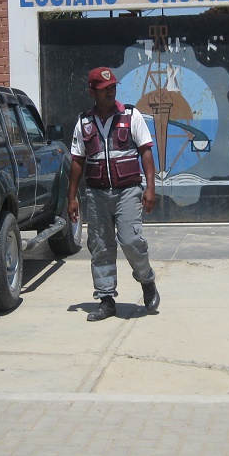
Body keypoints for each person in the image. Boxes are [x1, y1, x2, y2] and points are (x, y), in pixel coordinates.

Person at [67, 67, 159, 321]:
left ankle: (147, 280)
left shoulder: (131, 115)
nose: (110, 92)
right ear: (92, 92)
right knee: (100, 247)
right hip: (96, 195)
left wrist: (150, 188)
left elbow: (146, 152)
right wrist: (71, 197)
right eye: (104, 89)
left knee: (131, 241)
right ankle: (106, 299)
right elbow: (77, 160)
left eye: (113, 88)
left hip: (128, 192)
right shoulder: (84, 122)